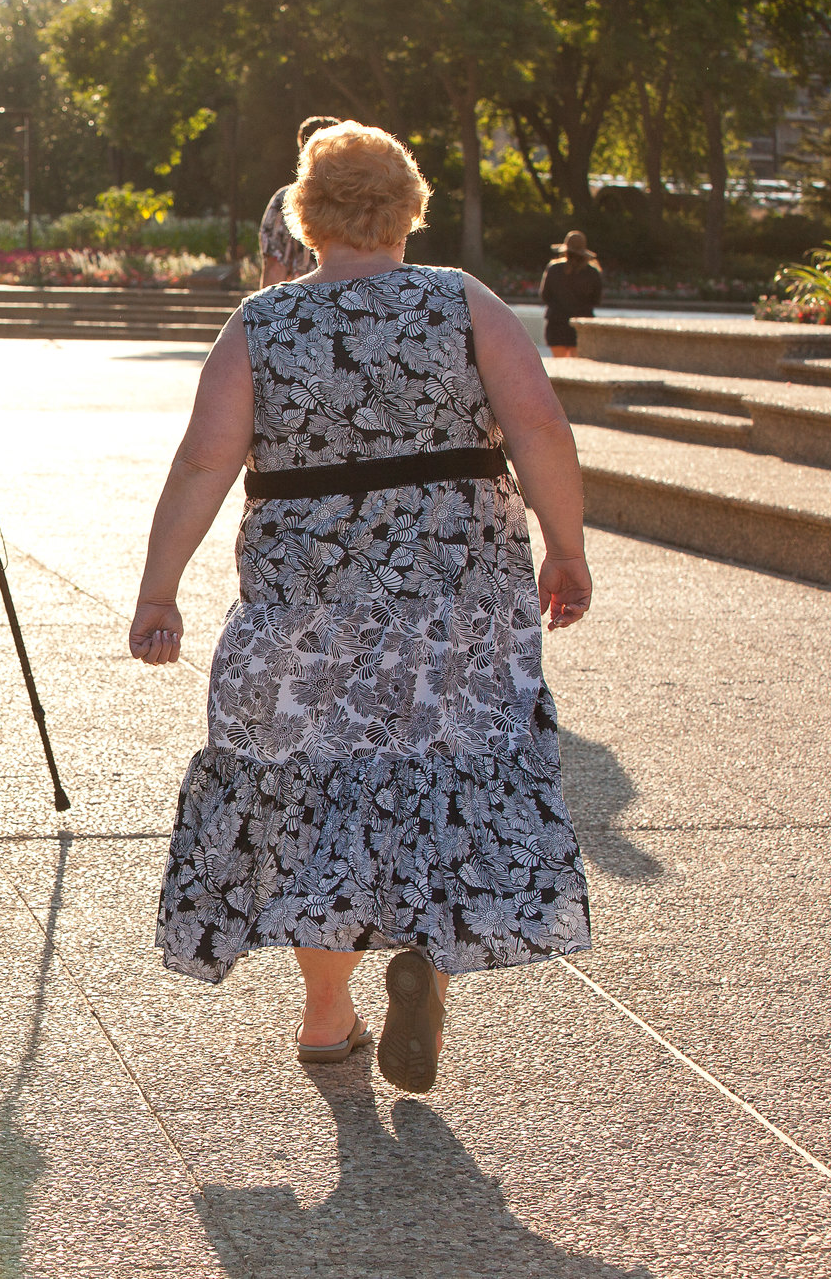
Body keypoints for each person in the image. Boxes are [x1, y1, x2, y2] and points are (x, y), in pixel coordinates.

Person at [127, 122, 595, 1094]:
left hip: (306, 603)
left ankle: (325, 1012)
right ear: (405, 210)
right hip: (452, 594)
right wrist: (564, 545)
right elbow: (536, 423)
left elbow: (205, 458)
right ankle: (424, 940)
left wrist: (158, 587)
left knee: (313, 791)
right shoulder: (460, 302)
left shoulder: (260, 321)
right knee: (443, 766)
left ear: (305, 214)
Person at [259, 115, 342, 287]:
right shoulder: (358, 200)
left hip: (300, 302)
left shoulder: (287, 200)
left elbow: (275, 265)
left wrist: (265, 310)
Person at [540, 231, 605, 357]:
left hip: (556, 323)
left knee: (559, 364)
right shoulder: (592, 272)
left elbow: (545, 295)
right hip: (581, 324)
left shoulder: (554, 269)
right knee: (577, 365)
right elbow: (596, 300)